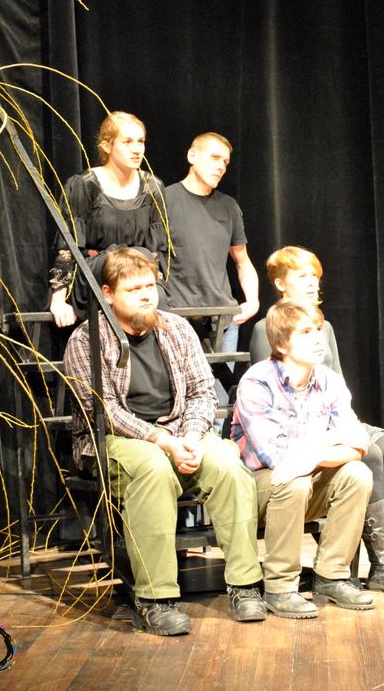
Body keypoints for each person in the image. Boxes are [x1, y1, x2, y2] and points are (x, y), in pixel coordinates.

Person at [63, 246, 266, 636]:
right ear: (108, 294)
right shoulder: (87, 340)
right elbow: (103, 410)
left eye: (149, 286)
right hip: (116, 440)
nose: (146, 295)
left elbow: (202, 392)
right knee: (153, 468)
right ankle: (155, 599)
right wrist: (162, 441)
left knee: (227, 464)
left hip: (180, 431)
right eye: (133, 289)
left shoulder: (176, 329)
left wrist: (189, 437)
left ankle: (244, 585)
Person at [250, 246, 384, 594]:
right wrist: (334, 438)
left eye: (315, 276)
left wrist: (344, 429)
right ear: (280, 283)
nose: (312, 283)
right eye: (303, 276)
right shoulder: (268, 329)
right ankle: (380, 561)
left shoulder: (325, 327)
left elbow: (335, 383)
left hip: (331, 418)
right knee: (370, 458)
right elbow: (278, 392)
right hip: (302, 429)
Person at [232, 300, 375, 617]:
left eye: (319, 330)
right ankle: (280, 587)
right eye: (306, 332)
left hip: (305, 476)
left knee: (357, 474)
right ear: (282, 344)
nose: (318, 339)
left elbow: (358, 440)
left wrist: (314, 456)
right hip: (259, 487)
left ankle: (331, 576)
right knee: (294, 481)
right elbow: (278, 456)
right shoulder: (257, 382)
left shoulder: (328, 380)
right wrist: (329, 440)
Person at [50, 111, 168, 327]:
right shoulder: (85, 184)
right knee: (130, 262)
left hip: (139, 273)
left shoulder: (153, 186)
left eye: (141, 141)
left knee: (152, 283)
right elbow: (67, 247)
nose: (137, 149)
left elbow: (155, 250)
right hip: (97, 272)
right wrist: (58, 299)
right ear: (106, 146)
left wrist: (157, 288)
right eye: (127, 142)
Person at [164, 132, 259, 355]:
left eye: (225, 162)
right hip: (177, 318)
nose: (221, 167)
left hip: (223, 321)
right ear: (192, 156)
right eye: (215, 158)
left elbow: (242, 261)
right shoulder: (164, 200)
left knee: (221, 379)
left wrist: (253, 301)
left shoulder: (229, 207)